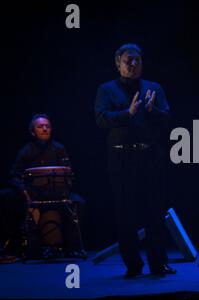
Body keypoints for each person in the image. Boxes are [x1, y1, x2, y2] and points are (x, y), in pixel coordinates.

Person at [94, 43, 176, 278]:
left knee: (154, 212)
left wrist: (152, 111)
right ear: (118, 64)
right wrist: (127, 114)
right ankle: (133, 265)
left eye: (137, 60)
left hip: (150, 157)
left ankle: (158, 263)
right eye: (128, 60)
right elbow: (101, 119)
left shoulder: (154, 88)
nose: (133, 64)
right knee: (125, 214)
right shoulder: (107, 89)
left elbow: (167, 117)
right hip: (121, 158)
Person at [4, 114, 85, 259]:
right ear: (32, 131)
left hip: (56, 194)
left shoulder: (59, 148)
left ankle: (72, 247)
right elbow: (14, 175)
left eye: (47, 126)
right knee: (6, 196)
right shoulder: (26, 151)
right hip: (33, 195)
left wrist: (64, 190)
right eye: (40, 126)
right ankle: (17, 245)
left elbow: (69, 174)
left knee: (79, 202)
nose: (45, 129)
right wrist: (25, 192)